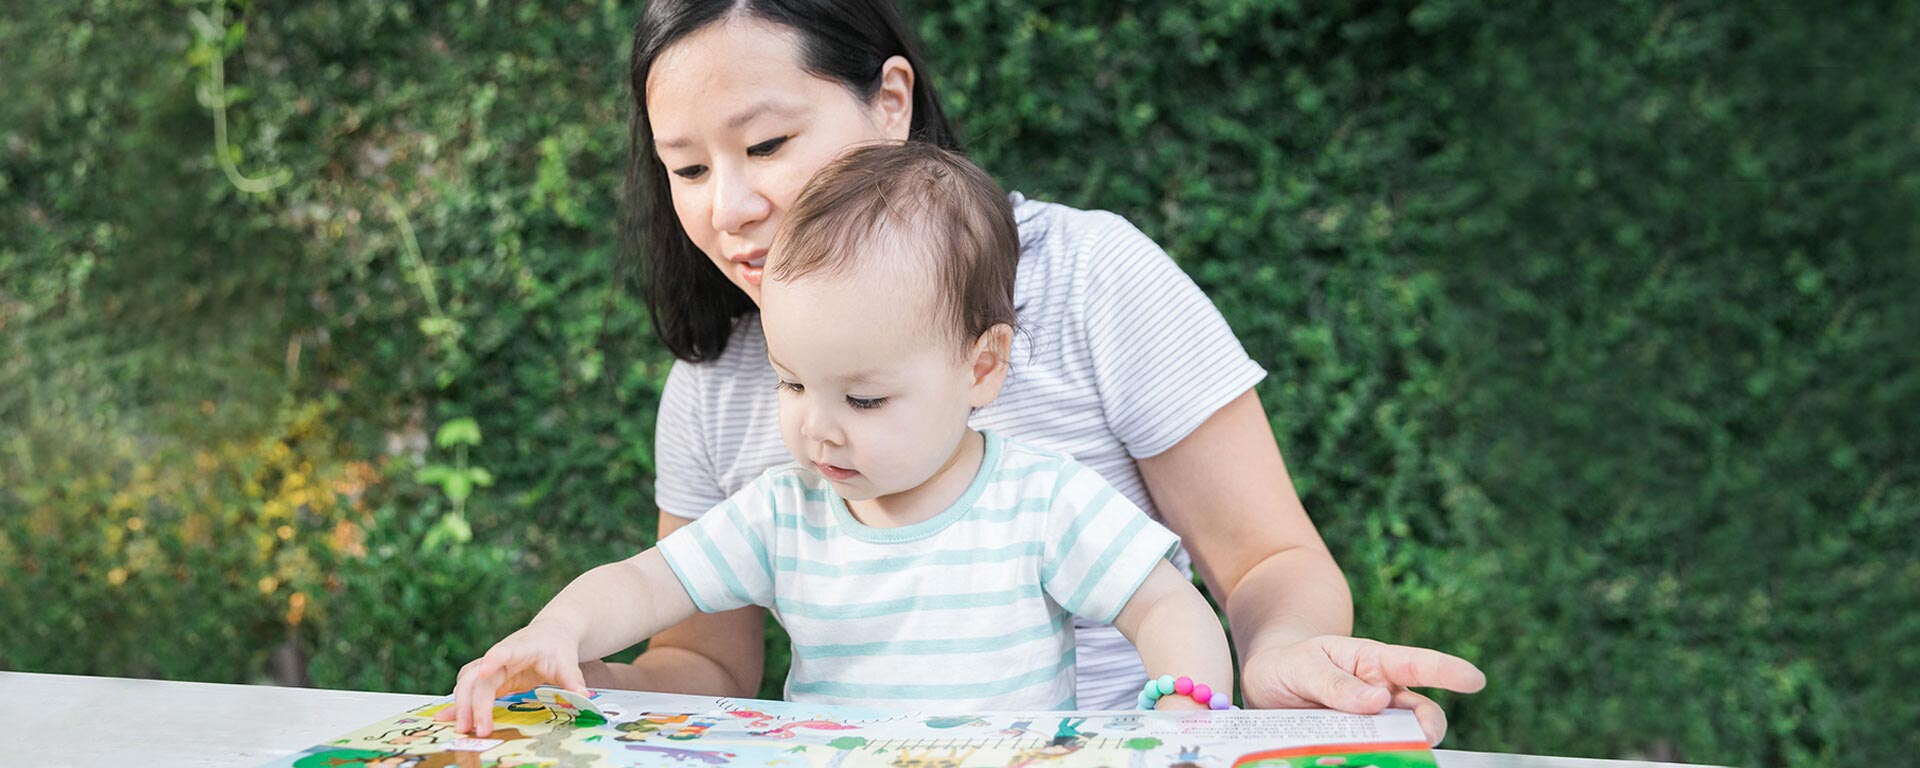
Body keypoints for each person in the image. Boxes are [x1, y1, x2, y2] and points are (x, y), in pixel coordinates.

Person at [599, 0, 1483, 744]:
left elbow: (1267, 562)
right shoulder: (715, 384)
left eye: (766, 144)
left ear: (891, 100)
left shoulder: (1090, 277)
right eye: (686, 167)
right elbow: (706, 664)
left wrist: (1281, 655)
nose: (729, 209)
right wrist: (576, 681)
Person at [444, 142, 1235, 737]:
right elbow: (644, 585)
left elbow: (1166, 606)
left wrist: (1180, 707)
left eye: (863, 396)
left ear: (982, 367)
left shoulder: (1042, 498)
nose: (816, 426)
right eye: (790, 383)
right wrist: (558, 631)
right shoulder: (786, 512)